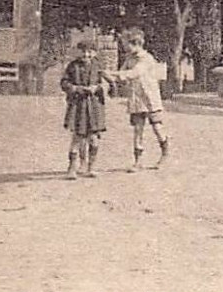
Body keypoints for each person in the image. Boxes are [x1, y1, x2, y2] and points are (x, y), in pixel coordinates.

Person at [103, 28, 171, 171]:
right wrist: (110, 78)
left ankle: (165, 153)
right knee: (138, 129)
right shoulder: (129, 59)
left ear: (135, 43)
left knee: (157, 127)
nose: (123, 46)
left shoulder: (146, 58)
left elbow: (134, 73)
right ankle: (137, 161)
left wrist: (113, 73)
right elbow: (122, 73)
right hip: (136, 99)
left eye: (125, 43)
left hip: (150, 98)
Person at [59, 40, 108, 179]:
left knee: (93, 137)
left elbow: (107, 83)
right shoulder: (72, 66)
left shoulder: (99, 66)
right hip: (78, 105)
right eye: (83, 51)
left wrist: (97, 88)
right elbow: (64, 82)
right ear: (78, 52)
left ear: (95, 52)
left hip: (94, 105)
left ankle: (91, 167)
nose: (86, 54)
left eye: (90, 52)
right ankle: (72, 168)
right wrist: (75, 88)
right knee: (77, 137)